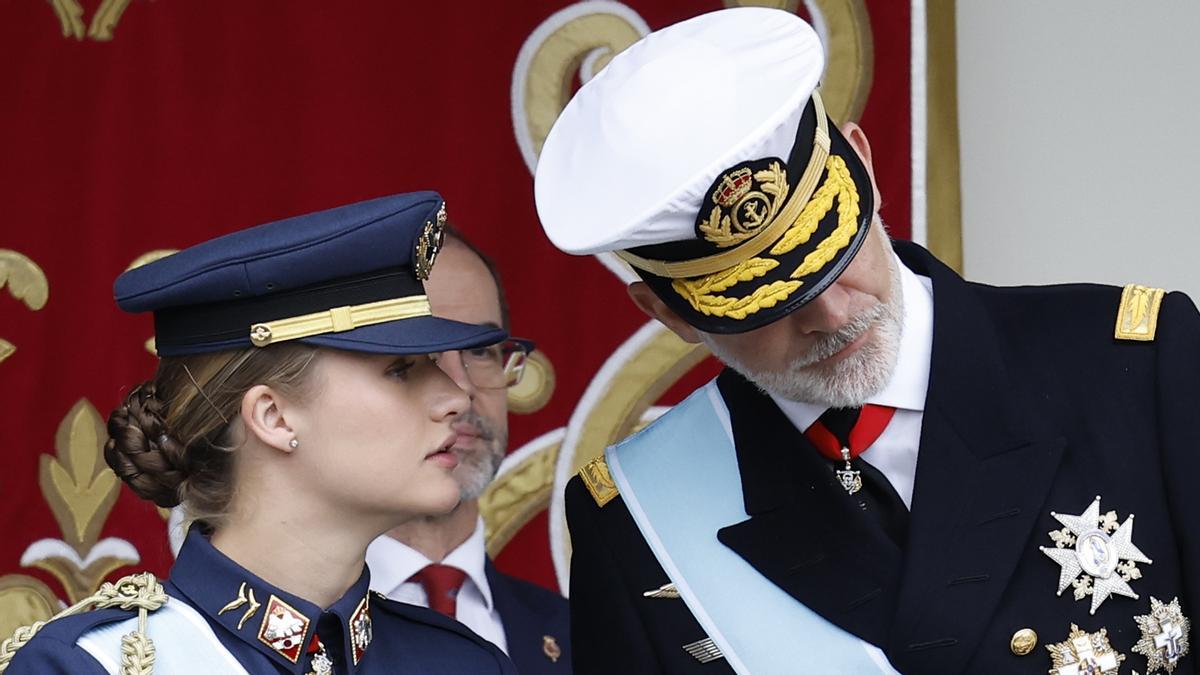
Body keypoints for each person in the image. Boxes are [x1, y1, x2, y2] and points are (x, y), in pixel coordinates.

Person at [533, 8, 1198, 675]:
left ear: (867, 167)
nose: (827, 311)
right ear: (668, 313)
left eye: (834, 249)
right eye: (763, 302)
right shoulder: (637, 519)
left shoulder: (1137, 369)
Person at [0, 193, 519, 674]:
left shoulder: (463, 662)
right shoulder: (96, 665)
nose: (458, 398)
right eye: (402, 369)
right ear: (273, 416)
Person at [366, 229, 572, 673]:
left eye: (481, 350)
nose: (461, 390)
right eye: (421, 353)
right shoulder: (274, 628)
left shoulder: (582, 638)